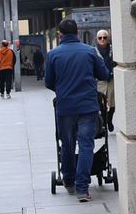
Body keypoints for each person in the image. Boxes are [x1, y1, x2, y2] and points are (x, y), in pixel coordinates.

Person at [43, 17, 113, 202]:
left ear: (60, 35)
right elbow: (103, 74)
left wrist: (62, 90)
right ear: (77, 33)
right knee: (86, 145)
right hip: (87, 107)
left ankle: (68, 180)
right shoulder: (90, 51)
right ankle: (83, 189)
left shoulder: (53, 55)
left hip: (65, 107)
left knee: (67, 144)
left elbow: (48, 82)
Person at [94, 29, 116, 130]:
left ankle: (109, 120)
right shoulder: (94, 51)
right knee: (101, 103)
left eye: (104, 37)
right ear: (97, 39)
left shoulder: (113, 50)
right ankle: (103, 122)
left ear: (108, 39)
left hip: (111, 80)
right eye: (100, 38)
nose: (102, 39)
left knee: (112, 103)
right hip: (100, 81)